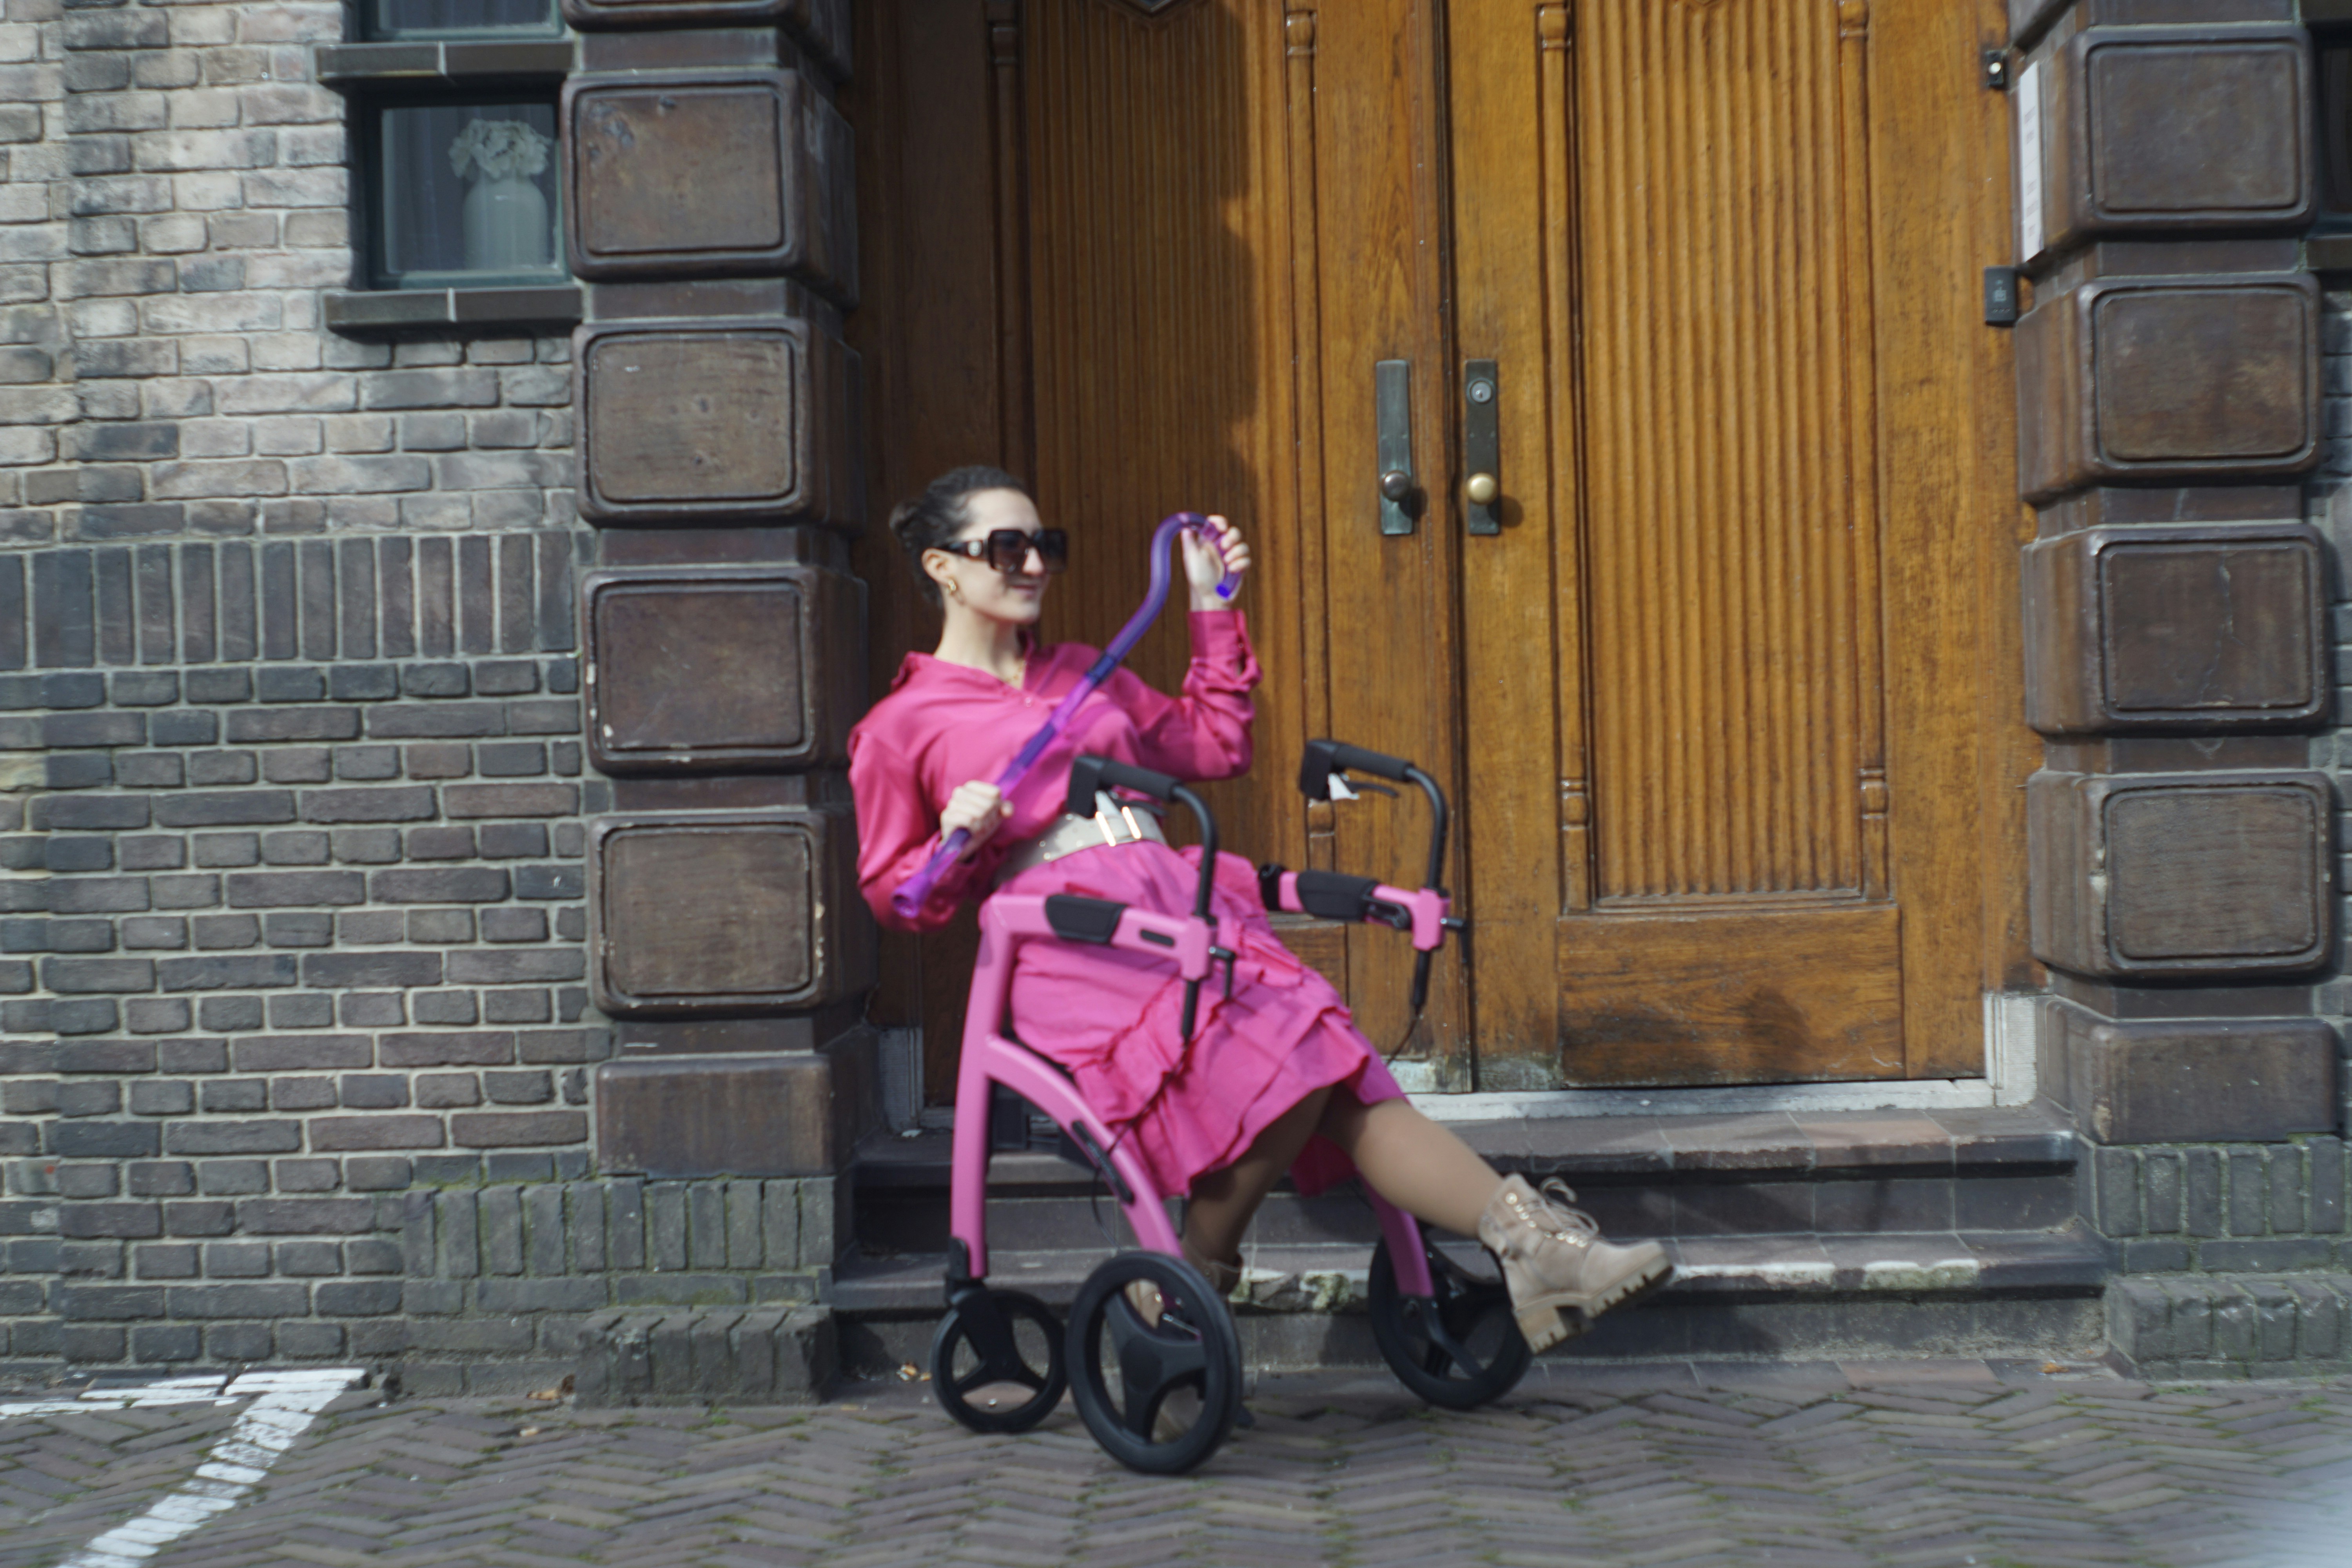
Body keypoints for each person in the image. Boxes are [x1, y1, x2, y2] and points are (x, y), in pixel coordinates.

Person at [848, 464, 1671, 1353]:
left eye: (1047, 545)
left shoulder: (1086, 672)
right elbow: (898, 898)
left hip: (1176, 897)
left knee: (1334, 1061)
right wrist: (956, 839)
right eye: (1008, 547)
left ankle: (1537, 1250)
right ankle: (1188, 1284)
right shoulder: (903, 723)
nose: (1036, 564)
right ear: (942, 566)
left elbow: (1214, 742)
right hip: (1076, 942)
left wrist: (1211, 604)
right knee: (1287, 1060)